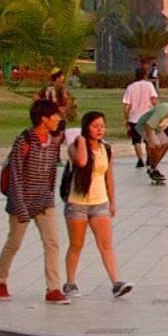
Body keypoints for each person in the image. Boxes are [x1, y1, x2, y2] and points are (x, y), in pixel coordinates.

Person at [0, 100, 69, 303]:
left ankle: (53, 289)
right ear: (43, 119)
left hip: (44, 202)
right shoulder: (24, 141)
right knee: (14, 243)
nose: (58, 119)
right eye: (54, 115)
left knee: (52, 243)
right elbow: (15, 174)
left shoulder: (54, 139)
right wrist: (20, 207)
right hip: (22, 201)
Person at [57, 111, 131, 299]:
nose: (99, 130)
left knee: (106, 245)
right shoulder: (75, 146)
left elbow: (109, 177)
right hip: (77, 203)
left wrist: (112, 201)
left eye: (102, 126)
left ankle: (116, 282)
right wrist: (82, 141)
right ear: (85, 127)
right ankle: (70, 282)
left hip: (100, 203)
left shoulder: (106, 149)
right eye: (95, 126)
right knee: (76, 245)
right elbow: (81, 162)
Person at [122, 64, 160, 164]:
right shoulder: (149, 85)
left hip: (134, 117)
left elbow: (126, 105)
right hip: (147, 117)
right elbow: (154, 100)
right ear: (145, 75)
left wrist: (126, 118)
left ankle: (140, 160)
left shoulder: (130, 87)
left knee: (136, 140)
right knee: (148, 139)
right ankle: (148, 158)